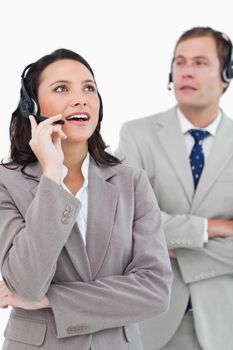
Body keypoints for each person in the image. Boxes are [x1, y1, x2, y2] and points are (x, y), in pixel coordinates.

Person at [0, 49, 172, 350]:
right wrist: (51, 174)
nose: (81, 98)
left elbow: (155, 291)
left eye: (89, 88)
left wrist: (52, 299)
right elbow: (27, 283)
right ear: (32, 107)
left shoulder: (132, 182)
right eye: (61, 88)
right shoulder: (6, 183)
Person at [116, 27, 233, 350]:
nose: (186, 71)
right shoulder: (137, 135)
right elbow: (128, 223)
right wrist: (215, 227)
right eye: (179, 62)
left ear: (226, 75)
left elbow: (148, 234)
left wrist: (169, 247)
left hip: (225, 325)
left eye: (199, 62)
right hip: (152, 319)